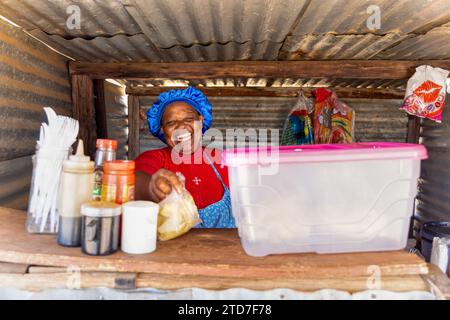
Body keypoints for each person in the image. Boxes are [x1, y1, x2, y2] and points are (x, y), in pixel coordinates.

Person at [135, 86, 236, 228]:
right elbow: (135, 178)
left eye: (189, 119)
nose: (181, 126)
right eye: (171, 122)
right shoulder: (155, 158)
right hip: (174, 250)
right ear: (162, 129)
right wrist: (151, 186)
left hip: (227, 249)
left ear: (200, 121)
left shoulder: (221, 159)